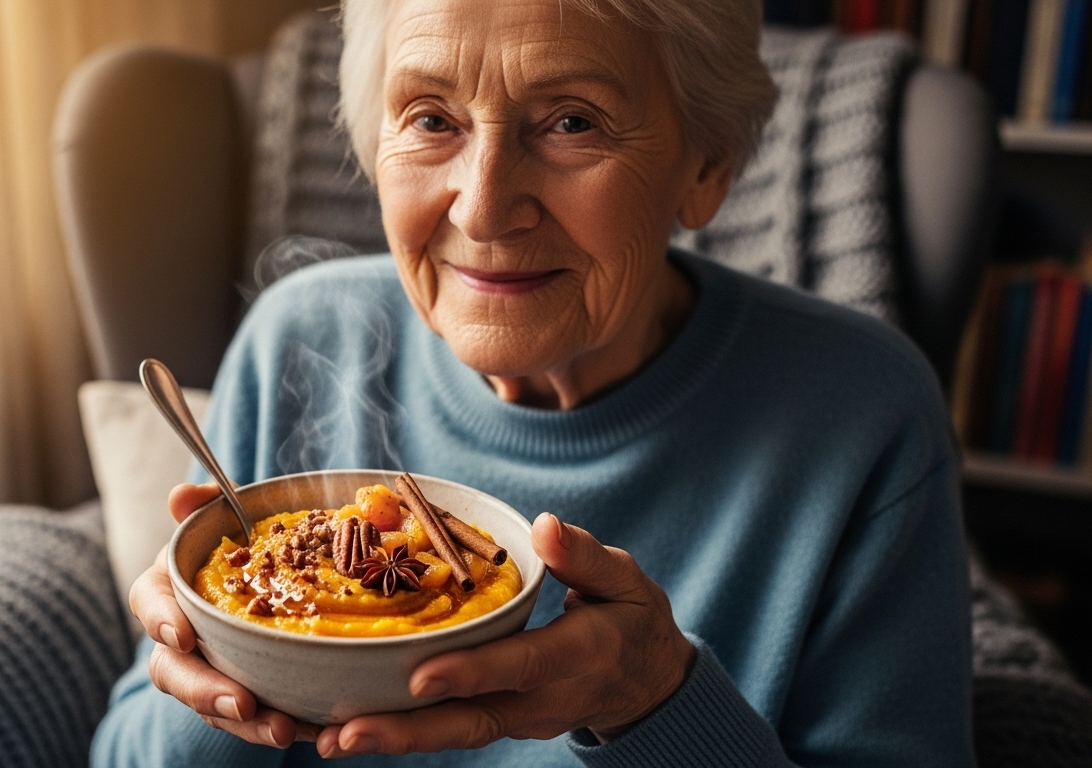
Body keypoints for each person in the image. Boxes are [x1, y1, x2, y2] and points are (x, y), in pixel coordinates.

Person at [92, 0, 975, 764]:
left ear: (706, 166)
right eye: (432, 118)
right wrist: (228, 670)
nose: (482, 206)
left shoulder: (861, 415)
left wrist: (653, 698)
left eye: (571, 122)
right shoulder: (300, 339)